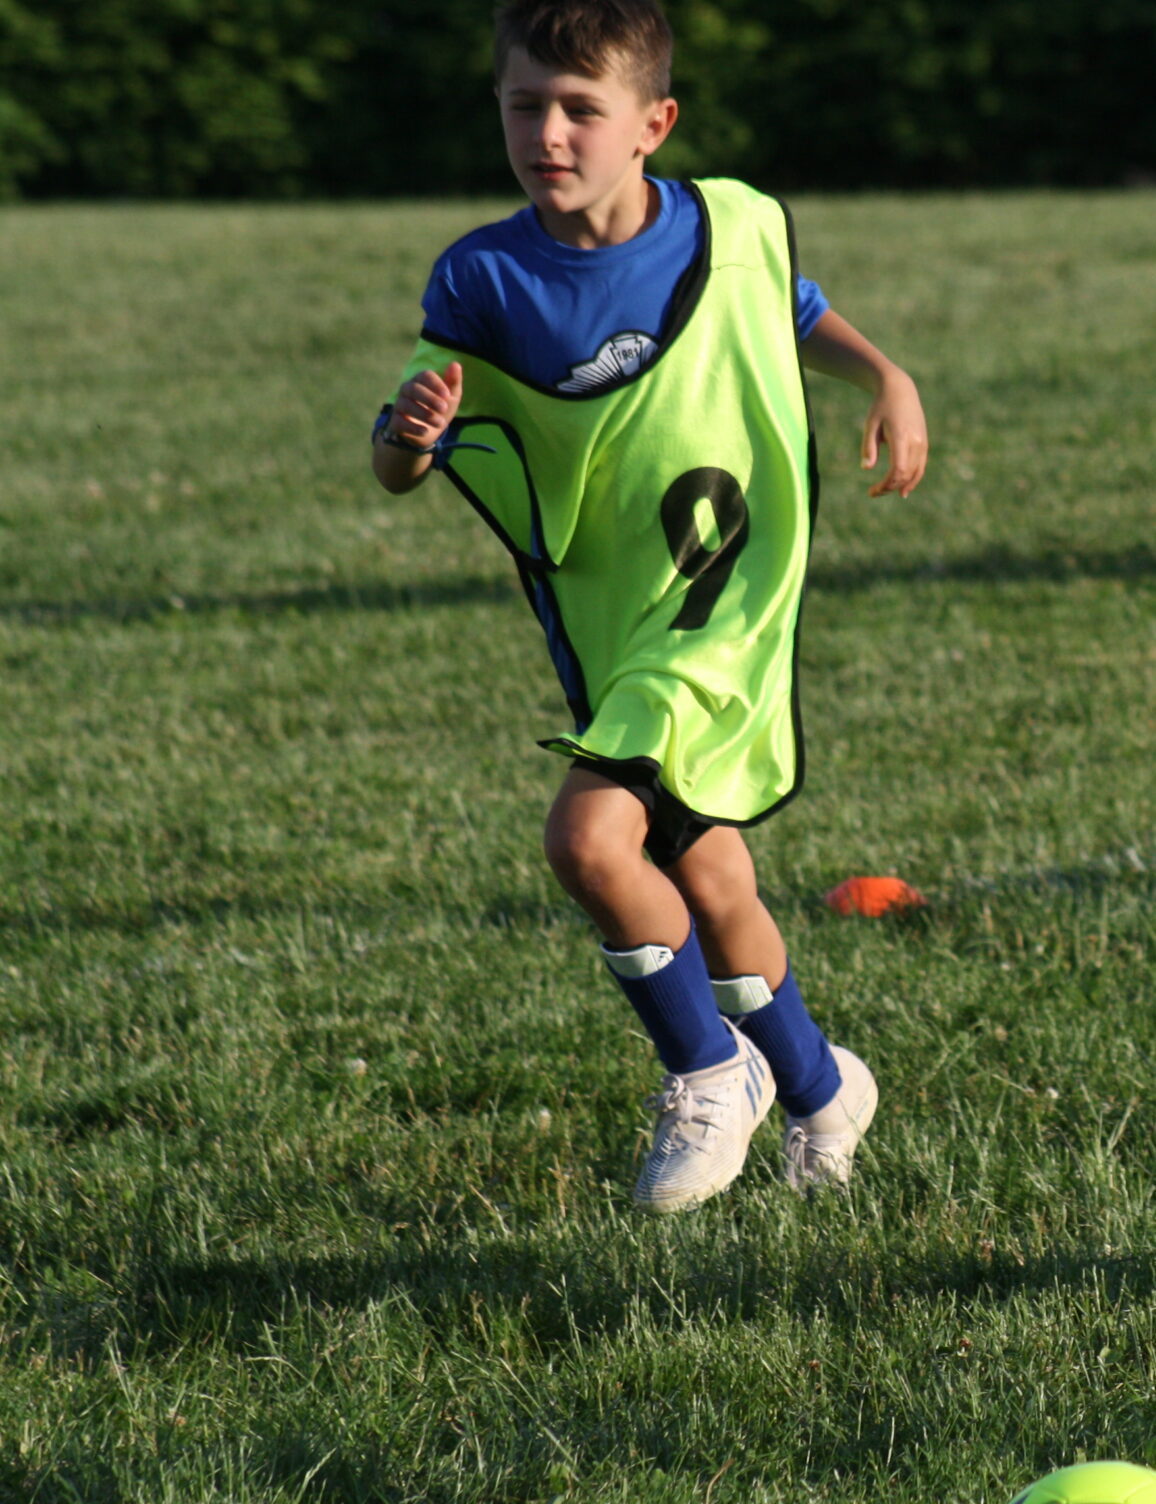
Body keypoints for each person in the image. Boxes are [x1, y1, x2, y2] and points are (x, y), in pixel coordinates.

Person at [372, 0, 929, 1212]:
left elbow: (790, 310)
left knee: (587, 843)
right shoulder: (482, 276)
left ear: (653, 124)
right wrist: (411, 439)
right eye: (526, 105)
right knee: (712, 876)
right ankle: (824, 1087)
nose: (550, 133)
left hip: (724, 601)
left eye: (582, 108)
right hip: (609, 613)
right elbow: (407, 445)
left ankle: (706, 1069)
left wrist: (884, 374)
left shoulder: (725, 230)